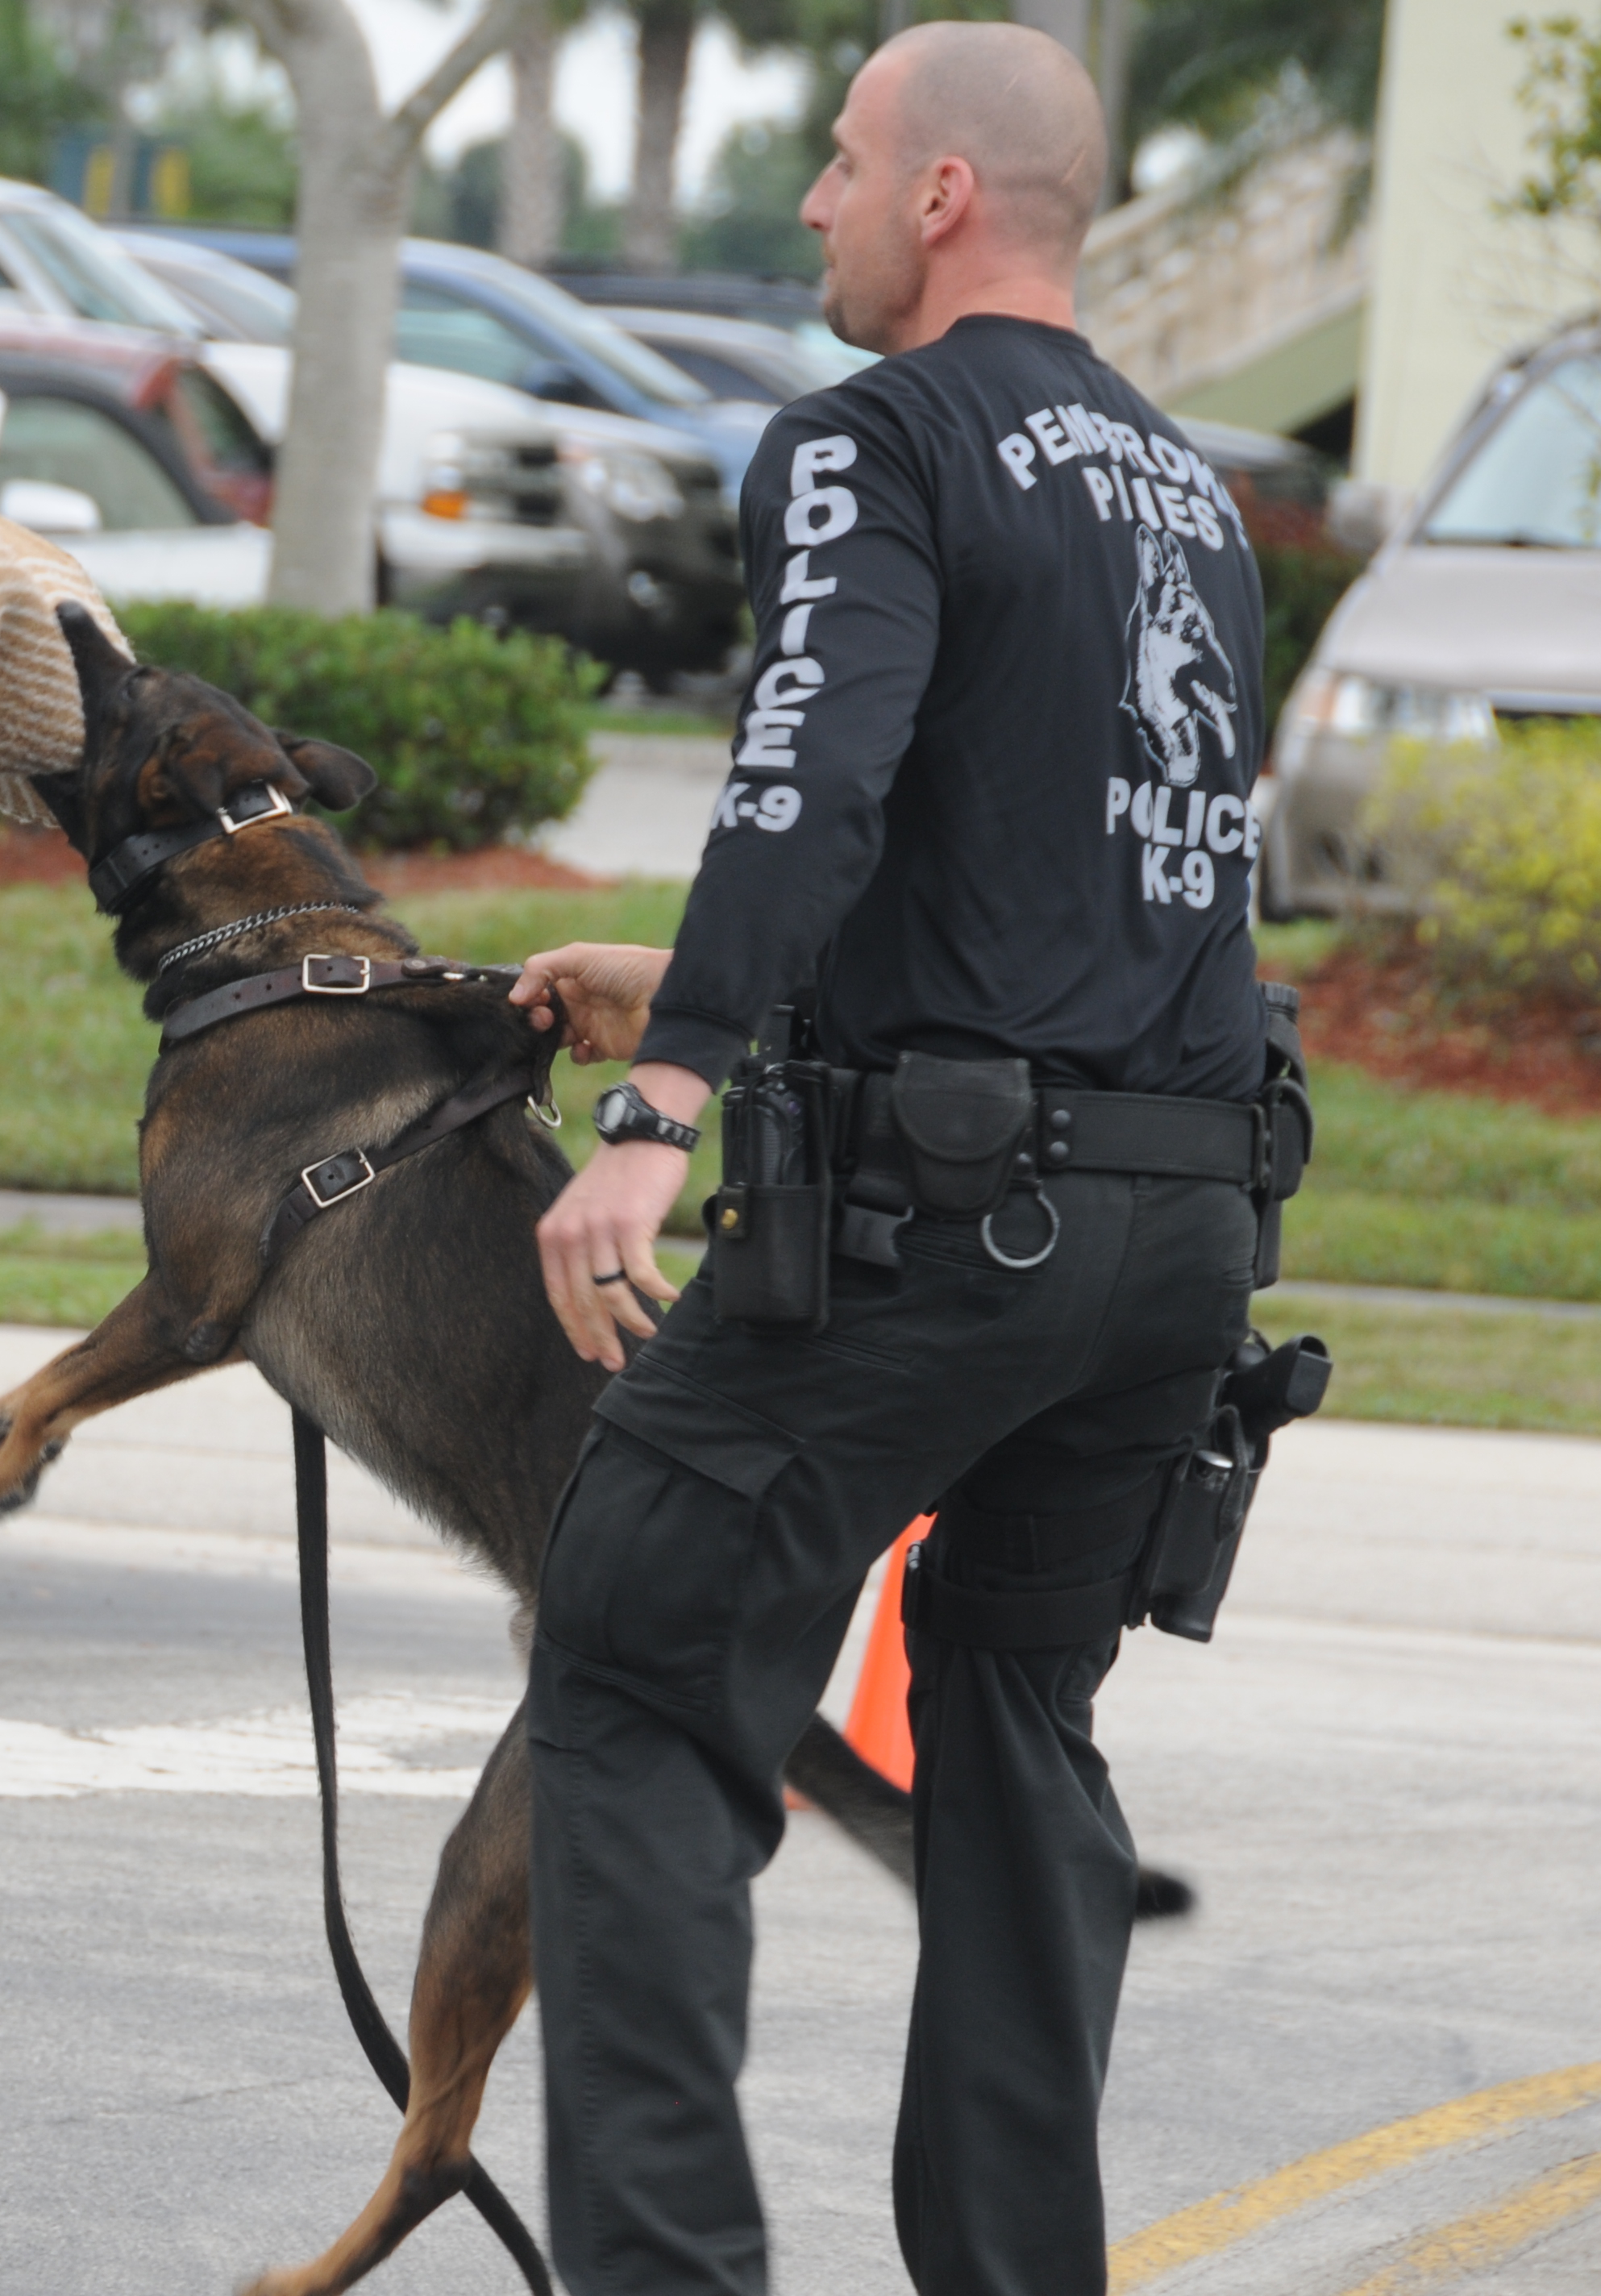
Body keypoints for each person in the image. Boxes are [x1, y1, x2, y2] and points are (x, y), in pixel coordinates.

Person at [507, 23, 1276, 2294]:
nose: (816, 207)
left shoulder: (875, 438)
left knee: (641, 1679)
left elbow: (805, 777)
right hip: (1176, 1230)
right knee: (1015, 1723)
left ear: (944, 194)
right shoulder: (1192, 494)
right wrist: (698, 980)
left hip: (948, 1225)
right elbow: (1060, 875)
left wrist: (658, 1113)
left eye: (841, 166)